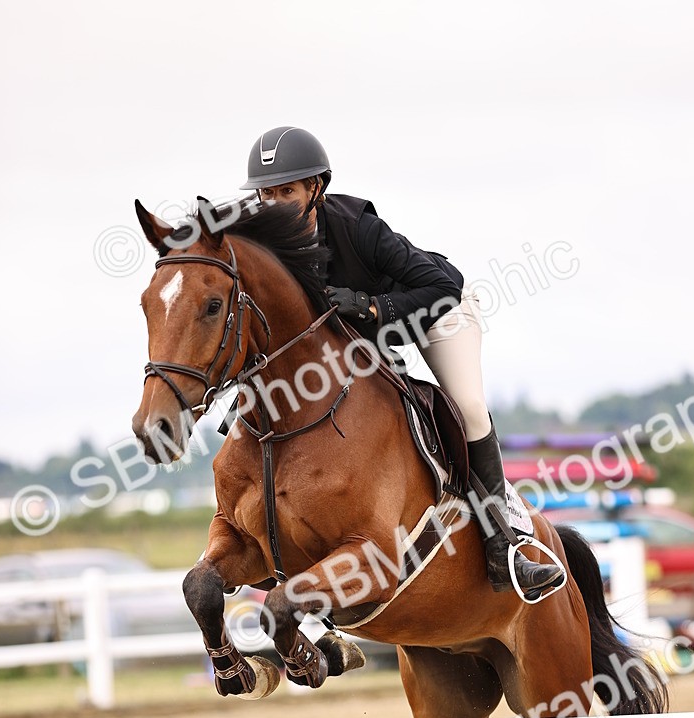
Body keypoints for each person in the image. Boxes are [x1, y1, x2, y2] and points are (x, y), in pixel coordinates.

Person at [240, 126, 562, 598]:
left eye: (287, 191)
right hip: (365, 338)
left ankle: (504, 545)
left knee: (468, 407)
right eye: (267, 194)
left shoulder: (358, 227)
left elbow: (443, 287)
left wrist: (372, 307)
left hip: (436, 313)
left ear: (315, 188)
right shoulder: (263, 245)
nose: (275, 204)